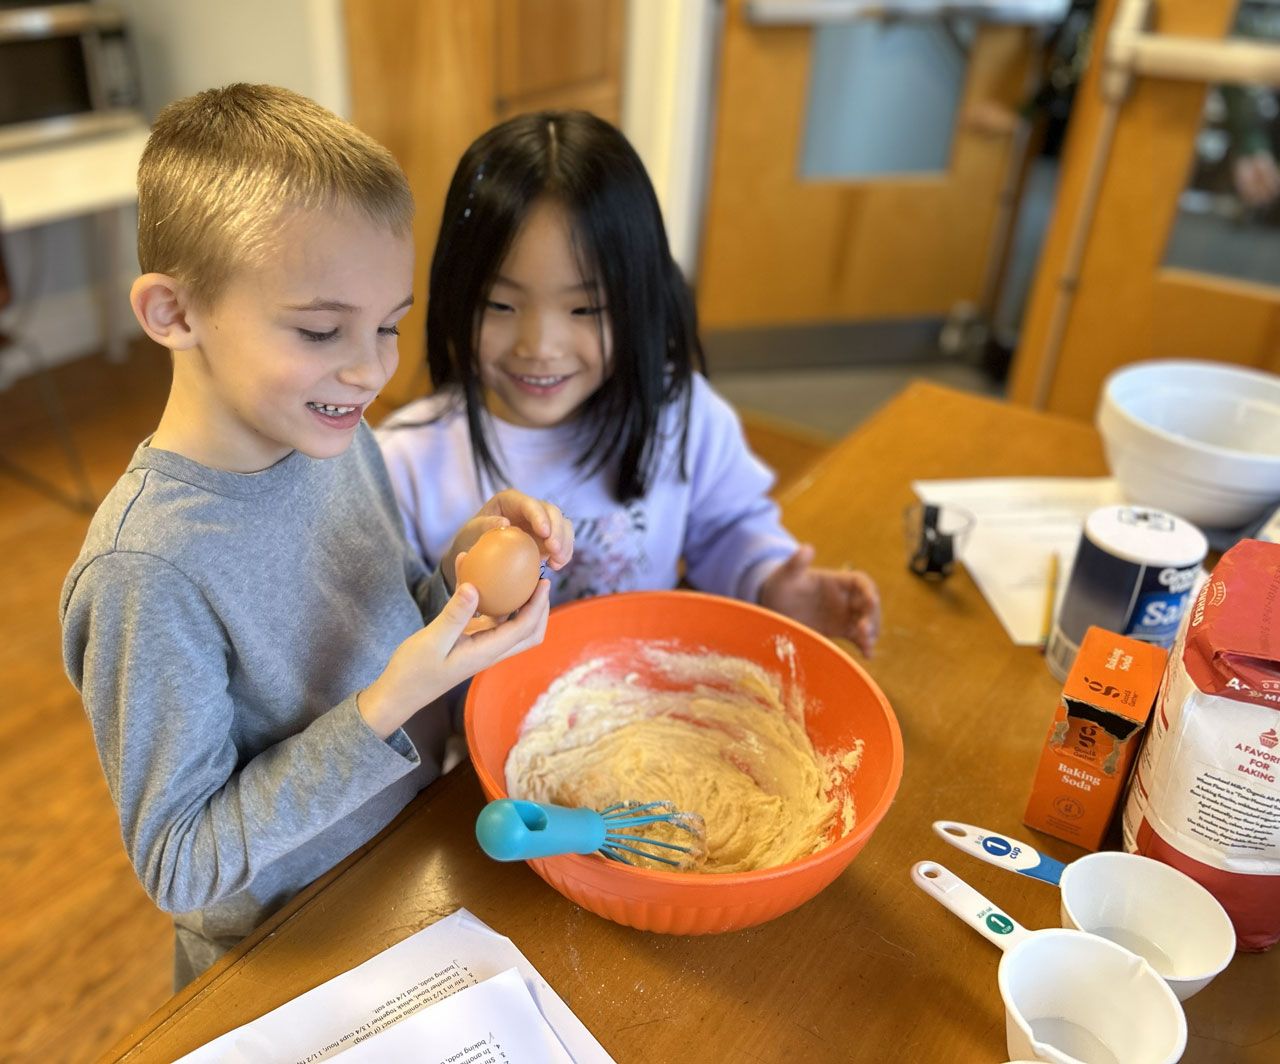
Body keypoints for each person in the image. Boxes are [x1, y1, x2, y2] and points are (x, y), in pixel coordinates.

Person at [59, 84, 572, 988]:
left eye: (387, 326)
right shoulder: (146, 571)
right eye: (320, 328)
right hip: (288, 952)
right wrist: (379, 710)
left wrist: (465, 567)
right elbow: (180, 860)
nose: (372, 367)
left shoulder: (330, 433)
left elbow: (388, 607)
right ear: (173, 314)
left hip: (411, 863)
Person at [378, 110, 878, 655]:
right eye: (500, 303)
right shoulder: (406, 462)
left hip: (632, 715)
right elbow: (386, 632)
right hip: (473, 728)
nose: (540, 345)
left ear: (638, 299)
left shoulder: (679, 416)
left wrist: (773, 581)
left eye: (585, 308)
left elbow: (728, 526)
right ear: (455, 294)